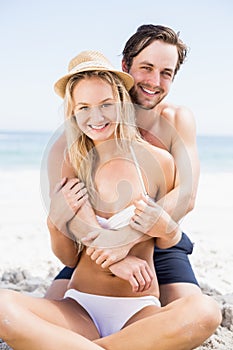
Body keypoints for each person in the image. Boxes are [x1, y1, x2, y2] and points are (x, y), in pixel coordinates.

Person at [0, 50, 221, 350]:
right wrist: (54, 223)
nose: (96, 117)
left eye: (106, 104)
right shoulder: (72, 163)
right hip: (80, 307)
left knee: (206, 311)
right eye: (84, 108)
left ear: (120, 102)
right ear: (73, 112)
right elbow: (68, 257)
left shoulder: (159, 162)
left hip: (139, 310)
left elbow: (168, 238)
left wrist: (129, 244)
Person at [45, 24, 201, 306]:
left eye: (166, 73)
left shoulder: (177, 120)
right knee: (51, 305)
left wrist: (127, 239)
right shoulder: (94, 119)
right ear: (125, 66)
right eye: (146, 67)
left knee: (187, 309)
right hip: (97, 241)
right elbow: (71, 203)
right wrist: (108, 247)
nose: (155, 81)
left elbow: (186, 195)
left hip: (159, 235)